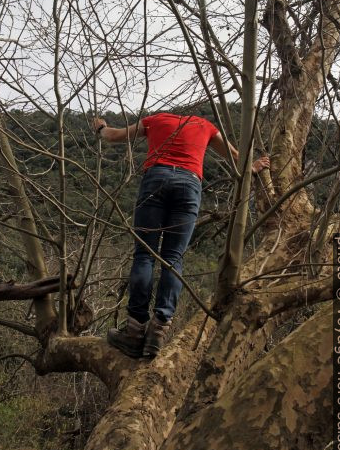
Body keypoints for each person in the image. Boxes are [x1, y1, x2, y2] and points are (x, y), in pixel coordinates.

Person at [93, 112, 269, 358]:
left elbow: (114, 136)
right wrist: (253, 167)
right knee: (173, 258)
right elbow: (235, 158)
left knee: (145, 255)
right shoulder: (205, 124)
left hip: (156, 178)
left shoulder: (155, 120)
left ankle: (134, 332)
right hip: (188, 184)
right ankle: (158, 330)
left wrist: (100, 127)